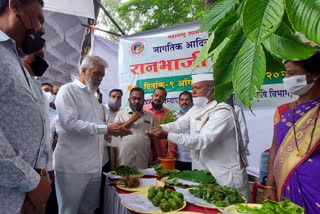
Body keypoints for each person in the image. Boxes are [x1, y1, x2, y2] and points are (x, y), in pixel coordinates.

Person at [147, 73, 250, 199]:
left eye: (198, 88)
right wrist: (160, 128)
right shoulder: (196, 109)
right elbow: (179, 125)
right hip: (205, 174)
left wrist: (166, 135)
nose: (193, 92)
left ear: (212, 90)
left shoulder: (223, 111)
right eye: (193, 88)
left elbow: (202, 141)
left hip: (226, 176)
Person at [53, 55, 132, 214]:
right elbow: (70, 124)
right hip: (72, 167)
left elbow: (96, 127)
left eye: (102, 75)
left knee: (88, 210)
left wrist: (115, 128)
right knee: (69, 210)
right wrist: (106, 129)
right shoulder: (67, 90)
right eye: (97, 73)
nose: (100, 78)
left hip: (94, 167)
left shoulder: (94, 97)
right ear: (84, 70)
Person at [0, 0, 52, 213]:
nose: (42, 29)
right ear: (15, 6)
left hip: (23, 197)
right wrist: (32, 182)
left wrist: (40, 178)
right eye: (39, 18)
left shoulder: (14, 59)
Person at [264, 52, 320, 214]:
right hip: (286, 182)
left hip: (315, 183)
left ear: (315, 75)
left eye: (292, 73)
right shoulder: (283, 111)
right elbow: (275, 148)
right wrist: (269, 185)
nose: (286, 78)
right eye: (286, 74)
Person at [114, 87, 158, 169]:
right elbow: (116, 132)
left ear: (143, 101)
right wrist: (131, 120)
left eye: (139, 98)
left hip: (144, 156)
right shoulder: (121, 114)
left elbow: (155, 138)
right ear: (129, 100)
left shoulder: (150, 116)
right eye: (134, 98)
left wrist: (158, 156)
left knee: (144, 179)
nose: (137, 101)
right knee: (124, 180)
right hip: (125, 156)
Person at [144, 87, 176, 158]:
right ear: (152, 96)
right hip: (146, 152)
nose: (158, 98)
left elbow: (172, 134)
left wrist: (171, 153)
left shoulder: (168, 114)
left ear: (164, 99)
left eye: (161, 97)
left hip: (163, 154)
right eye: (156, 95)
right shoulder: (143, 110)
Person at [104, 88, 123, 171]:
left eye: (119, 97)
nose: (116, 99)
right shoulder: (102, 109)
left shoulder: (124, 111)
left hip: (118, 145)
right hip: (104, 145)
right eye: (113, 96)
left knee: (118, 168)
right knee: (107, 168)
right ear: (109, 97)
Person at [175, 91, 193, 170]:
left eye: (187, 100)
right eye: (182, 100)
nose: (184, 102)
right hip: (176, 157)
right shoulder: (173, 116)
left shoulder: (197, 116)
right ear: (179, 102)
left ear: (192, 102)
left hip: (192, 158)